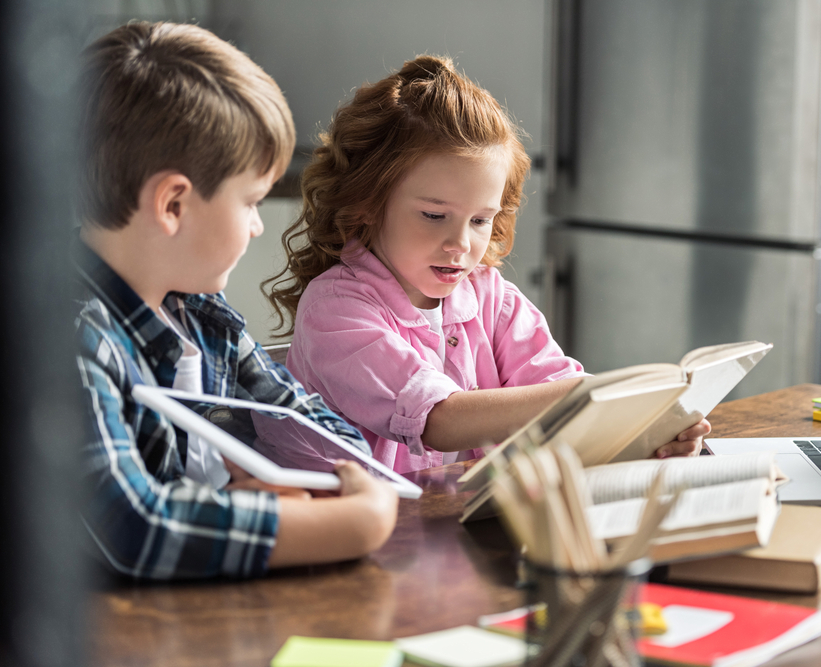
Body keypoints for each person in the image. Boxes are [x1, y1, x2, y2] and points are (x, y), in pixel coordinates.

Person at [261, 55, 710, 475]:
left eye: (480, 220)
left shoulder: (491, 298)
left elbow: (555, 397)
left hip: (445, 524)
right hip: (348, 536)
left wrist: (643, 432)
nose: (459, 243)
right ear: (367, 205)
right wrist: (584, 396)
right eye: (434, 216)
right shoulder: (335, 308)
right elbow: (438, 419)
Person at [74, 21, 398, 580]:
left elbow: (308, 419)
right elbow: (132, 528)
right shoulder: (76, 338)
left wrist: (296, 480)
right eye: (250, 202)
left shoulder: (204, 316)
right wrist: (354, 525)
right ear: (173, 204)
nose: (255, 228)